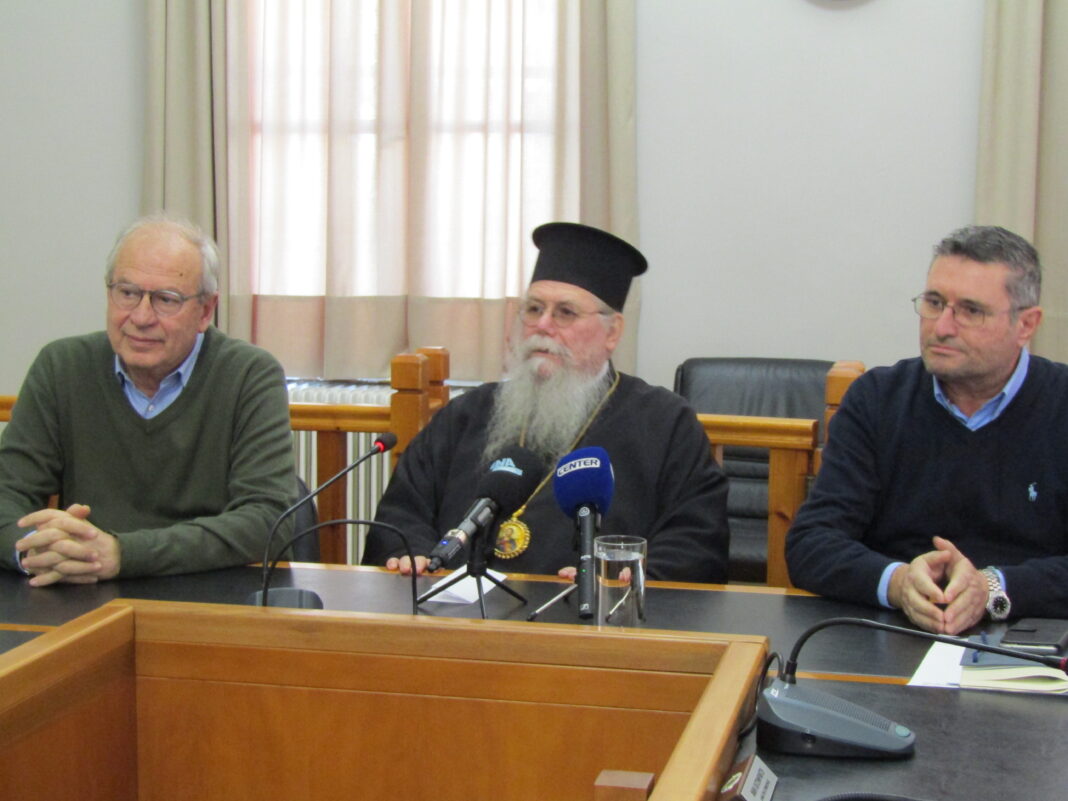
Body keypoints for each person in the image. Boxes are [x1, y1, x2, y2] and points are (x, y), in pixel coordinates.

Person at [363, 222, 728, 582]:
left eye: (565, 312)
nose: (543, 325)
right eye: (534, 309)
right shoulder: (466, 414)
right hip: (456, 611)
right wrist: (412, 555)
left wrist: (627, 575)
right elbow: (402, 514)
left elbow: (694, 543)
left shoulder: (665, 424)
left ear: (613, 332)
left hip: (592, 615)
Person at [786, 225, 1068, 634]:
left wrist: (993, 588)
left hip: (1032, 640)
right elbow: (812, 543)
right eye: (934, 303)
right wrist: (898, 583)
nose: (942, 327)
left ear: (1026, 324)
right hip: (893, 632)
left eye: (970, 310)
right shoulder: (877, 399)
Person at [0, 214, 296, 586]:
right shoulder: (62, 366)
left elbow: (268, 520)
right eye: (127, 293)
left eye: (165, 300)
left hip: (210, 591)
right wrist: (34, 550)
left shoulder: (249, 375)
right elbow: (7, 491)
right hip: (83, 590)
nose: (141, 317)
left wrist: (123, 554)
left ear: (205, 311)